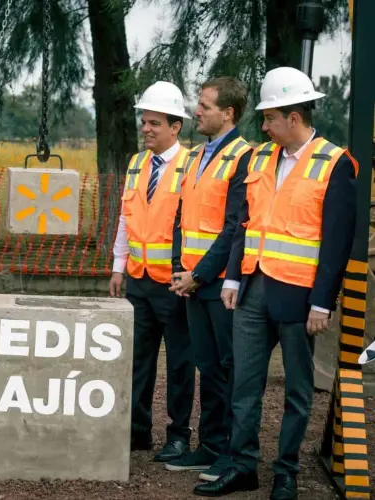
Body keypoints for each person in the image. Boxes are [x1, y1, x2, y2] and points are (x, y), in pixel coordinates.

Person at [194, 67, 358, 500]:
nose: (263, 126)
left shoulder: (335, 163)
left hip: (301, 297)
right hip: (252, 288)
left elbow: (337, 242)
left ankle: (286, 472)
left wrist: (323, 303)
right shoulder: (259, 158)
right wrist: (232, 275)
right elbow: (243, 225)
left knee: (298, 393)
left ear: (294, 117)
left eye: (270, 118)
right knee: (243, 385)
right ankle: (242, 465)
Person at [165, 77, 253, 481]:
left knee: (228, 369)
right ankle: (212, 447)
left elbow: (235, 227)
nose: (196, 111)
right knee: (208, 367)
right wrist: (179, 271)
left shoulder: (243, 157)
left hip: (218, 285)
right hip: (194, 282)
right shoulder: (198, 154)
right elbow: (184, 218)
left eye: (203, 105)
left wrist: (198, 276)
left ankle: (232, 455)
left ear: (228, 113)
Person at [108, 81, 196, 464]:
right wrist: (118, 265)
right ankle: (137, 431)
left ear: (176, 127)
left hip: (176, 285)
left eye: (155, 123)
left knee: (179, 363)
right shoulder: (136, 163)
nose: (146, 129)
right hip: (140, 281)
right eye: (144, 122)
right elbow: (127, 218)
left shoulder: (192, 165)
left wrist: (191, 274)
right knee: (137, 360)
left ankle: (178, 436)